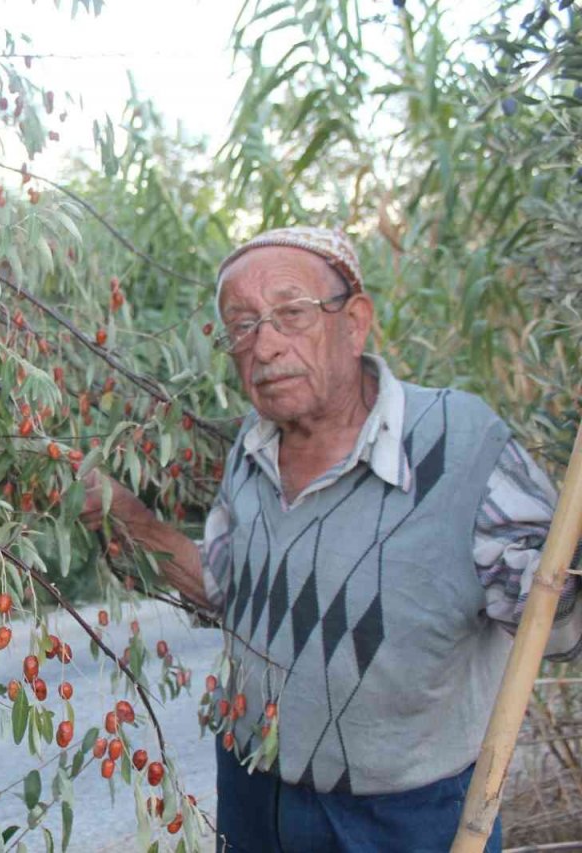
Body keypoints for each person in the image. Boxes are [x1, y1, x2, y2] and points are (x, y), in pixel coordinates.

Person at [81, 226, 582, 852]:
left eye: (291, 314)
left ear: (355, 322)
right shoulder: (251, 447)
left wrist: (558, 587)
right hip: (253, 786)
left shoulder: (460, 443)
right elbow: (226, 587)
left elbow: (559, 627)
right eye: (241, 326)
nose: (263, 345)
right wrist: (128, 517)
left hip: (401, 816)